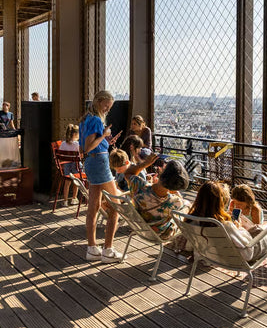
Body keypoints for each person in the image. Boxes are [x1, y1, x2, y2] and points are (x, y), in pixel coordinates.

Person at [189, 180, 267, 262]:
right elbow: (247, 253)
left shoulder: (191, 220)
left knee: (265, 225)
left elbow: (189, 246)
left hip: (210, 255)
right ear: (220, 203)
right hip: (239, 257)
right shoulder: (224, 225)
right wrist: (238, 228)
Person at [79, 90, 124, 262]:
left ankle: (92, 248)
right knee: (116, 206)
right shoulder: (96, 120)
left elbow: (83, 147)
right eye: (106, 105)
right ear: (98, 102)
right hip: (99, 163)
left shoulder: (85, 120)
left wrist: (105, 142)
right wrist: (104, 136)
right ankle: (108, 250)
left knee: (94, 207)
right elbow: (89, 146)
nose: (107, 109)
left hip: (91, 163)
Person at [128, 158, 188, 247]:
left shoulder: (139, 185)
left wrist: (145, 163)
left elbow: (128, 173)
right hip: (161, 234)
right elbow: (182, 204)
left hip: (140, 229)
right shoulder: (176, 202)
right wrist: (176, 194)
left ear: (161, 173)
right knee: (187, 206)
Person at [58, 124, 81, 204]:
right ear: (75, 134)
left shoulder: (63, 144)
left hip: (66, 167)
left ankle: (65, 201)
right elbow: (80, 155)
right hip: (76, 167)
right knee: (76, 181)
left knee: (67, 183)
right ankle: (74, 198)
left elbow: (60, 156)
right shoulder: (77, 144)